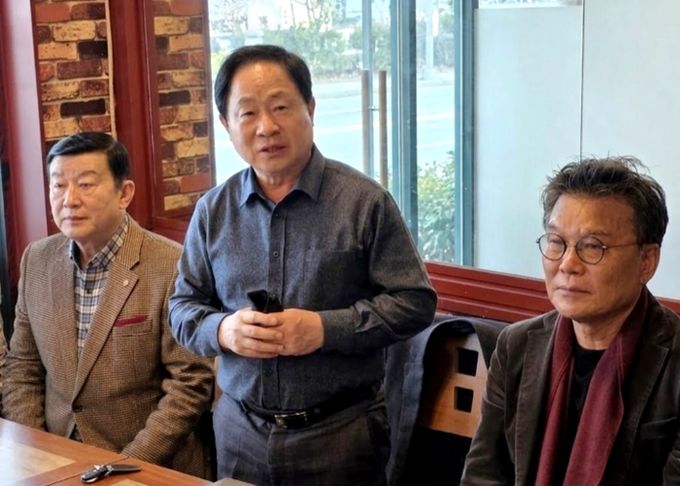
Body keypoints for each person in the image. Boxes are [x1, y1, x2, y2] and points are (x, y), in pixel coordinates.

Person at [169, 44, 437, 485]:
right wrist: (223, 330)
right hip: (239, 431)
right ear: (226, 124)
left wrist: (324, 329)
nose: (266, 127)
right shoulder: (213, 211)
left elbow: (415, 302)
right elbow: (182, 307)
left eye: (280, 107)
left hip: (340, 433)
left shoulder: (363, 202)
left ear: (310, 108)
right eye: (248, 113)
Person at [2, 132, 214, 478]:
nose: (69, 200)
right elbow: (23, 367)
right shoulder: (37, 259)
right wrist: (39, 450)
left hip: (144, 464)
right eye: (58, 186)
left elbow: (190, 382)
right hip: (55, 461)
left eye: (86, 185)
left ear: (124, 193)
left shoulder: (170, 264)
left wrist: (124, 466)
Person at [461, 156, 680, 485]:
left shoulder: (673, 361)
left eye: (592, 247)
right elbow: (483, 476)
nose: (567, 264)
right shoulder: (516, 346)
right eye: (556, 242)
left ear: (647, 261)